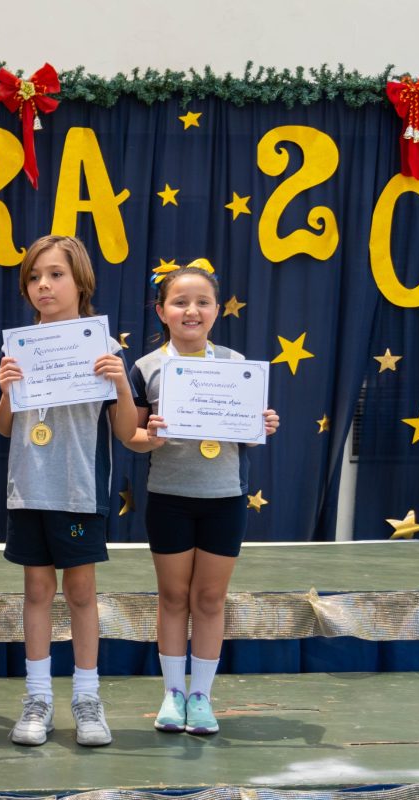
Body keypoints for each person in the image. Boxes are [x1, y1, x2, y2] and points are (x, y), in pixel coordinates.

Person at [0, 235, 138, 748]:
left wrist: (119, 382)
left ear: (81, 281)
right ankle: (37, 698)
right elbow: (5, 426)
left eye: (55, 274)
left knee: (80, 593)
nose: (43, 285)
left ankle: (87, 697)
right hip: (29, 488)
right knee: (36, 591)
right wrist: (7, 389)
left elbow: (126, 430)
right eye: (34, 277)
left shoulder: (105, 347)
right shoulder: (19, 345)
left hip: (79, 489)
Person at [125, 259, 279, 735]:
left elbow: (246, 437)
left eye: (202, 302)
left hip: (223, 499)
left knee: (210, 599)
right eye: (180, 302)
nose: (192, 310)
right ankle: (172, 695)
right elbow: (131, 436)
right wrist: (149, 435)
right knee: (172, 597)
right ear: (162, 310)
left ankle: (202, 697)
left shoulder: (237, 367)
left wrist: (261, 427)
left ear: (215, 311)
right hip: (169, 497)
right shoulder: (145, 367)